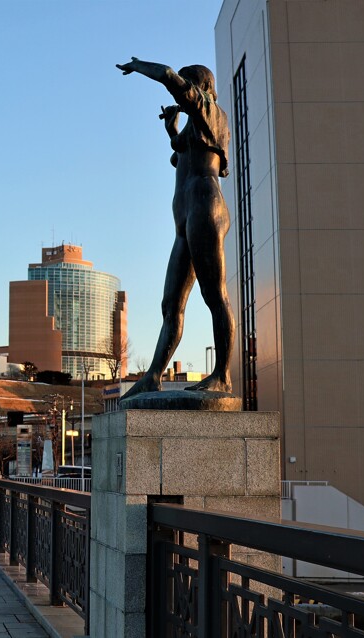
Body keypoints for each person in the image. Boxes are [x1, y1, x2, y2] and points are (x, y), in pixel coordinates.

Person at [115, 57, 235, 399]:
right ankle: (154, 374)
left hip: (205, 205)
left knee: (214, 294)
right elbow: (182, 152)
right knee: (171, 303)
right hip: (185, 217)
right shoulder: (196, 122)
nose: (184, 94)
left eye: (189, 86)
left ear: (203, 87)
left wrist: (138, 66)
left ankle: (222, 375)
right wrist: (172, 130)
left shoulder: (212, 111)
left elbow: (167, 76)